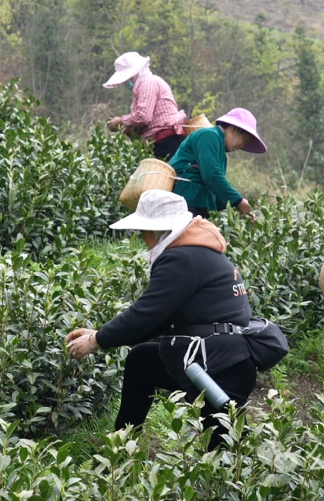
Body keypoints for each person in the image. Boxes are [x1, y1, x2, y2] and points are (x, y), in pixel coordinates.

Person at [65, 189, 257, 451]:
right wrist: (100, 334)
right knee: (143, 360)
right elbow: (157, 319)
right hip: (225, 359)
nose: (143, 239)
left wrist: (95, 342)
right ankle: (121, 444)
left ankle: (121, 447)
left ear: (157, 231)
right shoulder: (199, 252)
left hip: (217, 365)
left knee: (224, 452)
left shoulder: (181, 258)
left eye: (143, 231)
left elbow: (146, 314)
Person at [169, 108, 267, 219]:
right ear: (235, 130)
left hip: (199, 206)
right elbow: (211, 175)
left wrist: (237, 208)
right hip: (185, 202)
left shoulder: (222, 155)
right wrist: (238, 201)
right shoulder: (209, 136)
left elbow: (215, 190)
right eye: (244, 140)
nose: (242, 146)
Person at [103, 52, 188, 160]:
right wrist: (124, 128)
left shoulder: (147, 83)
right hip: (160, 141)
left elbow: (143, 117)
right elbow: (144, 122)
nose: (125, 83)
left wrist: (121, 121)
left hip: (167, 140)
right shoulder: (142, 86)